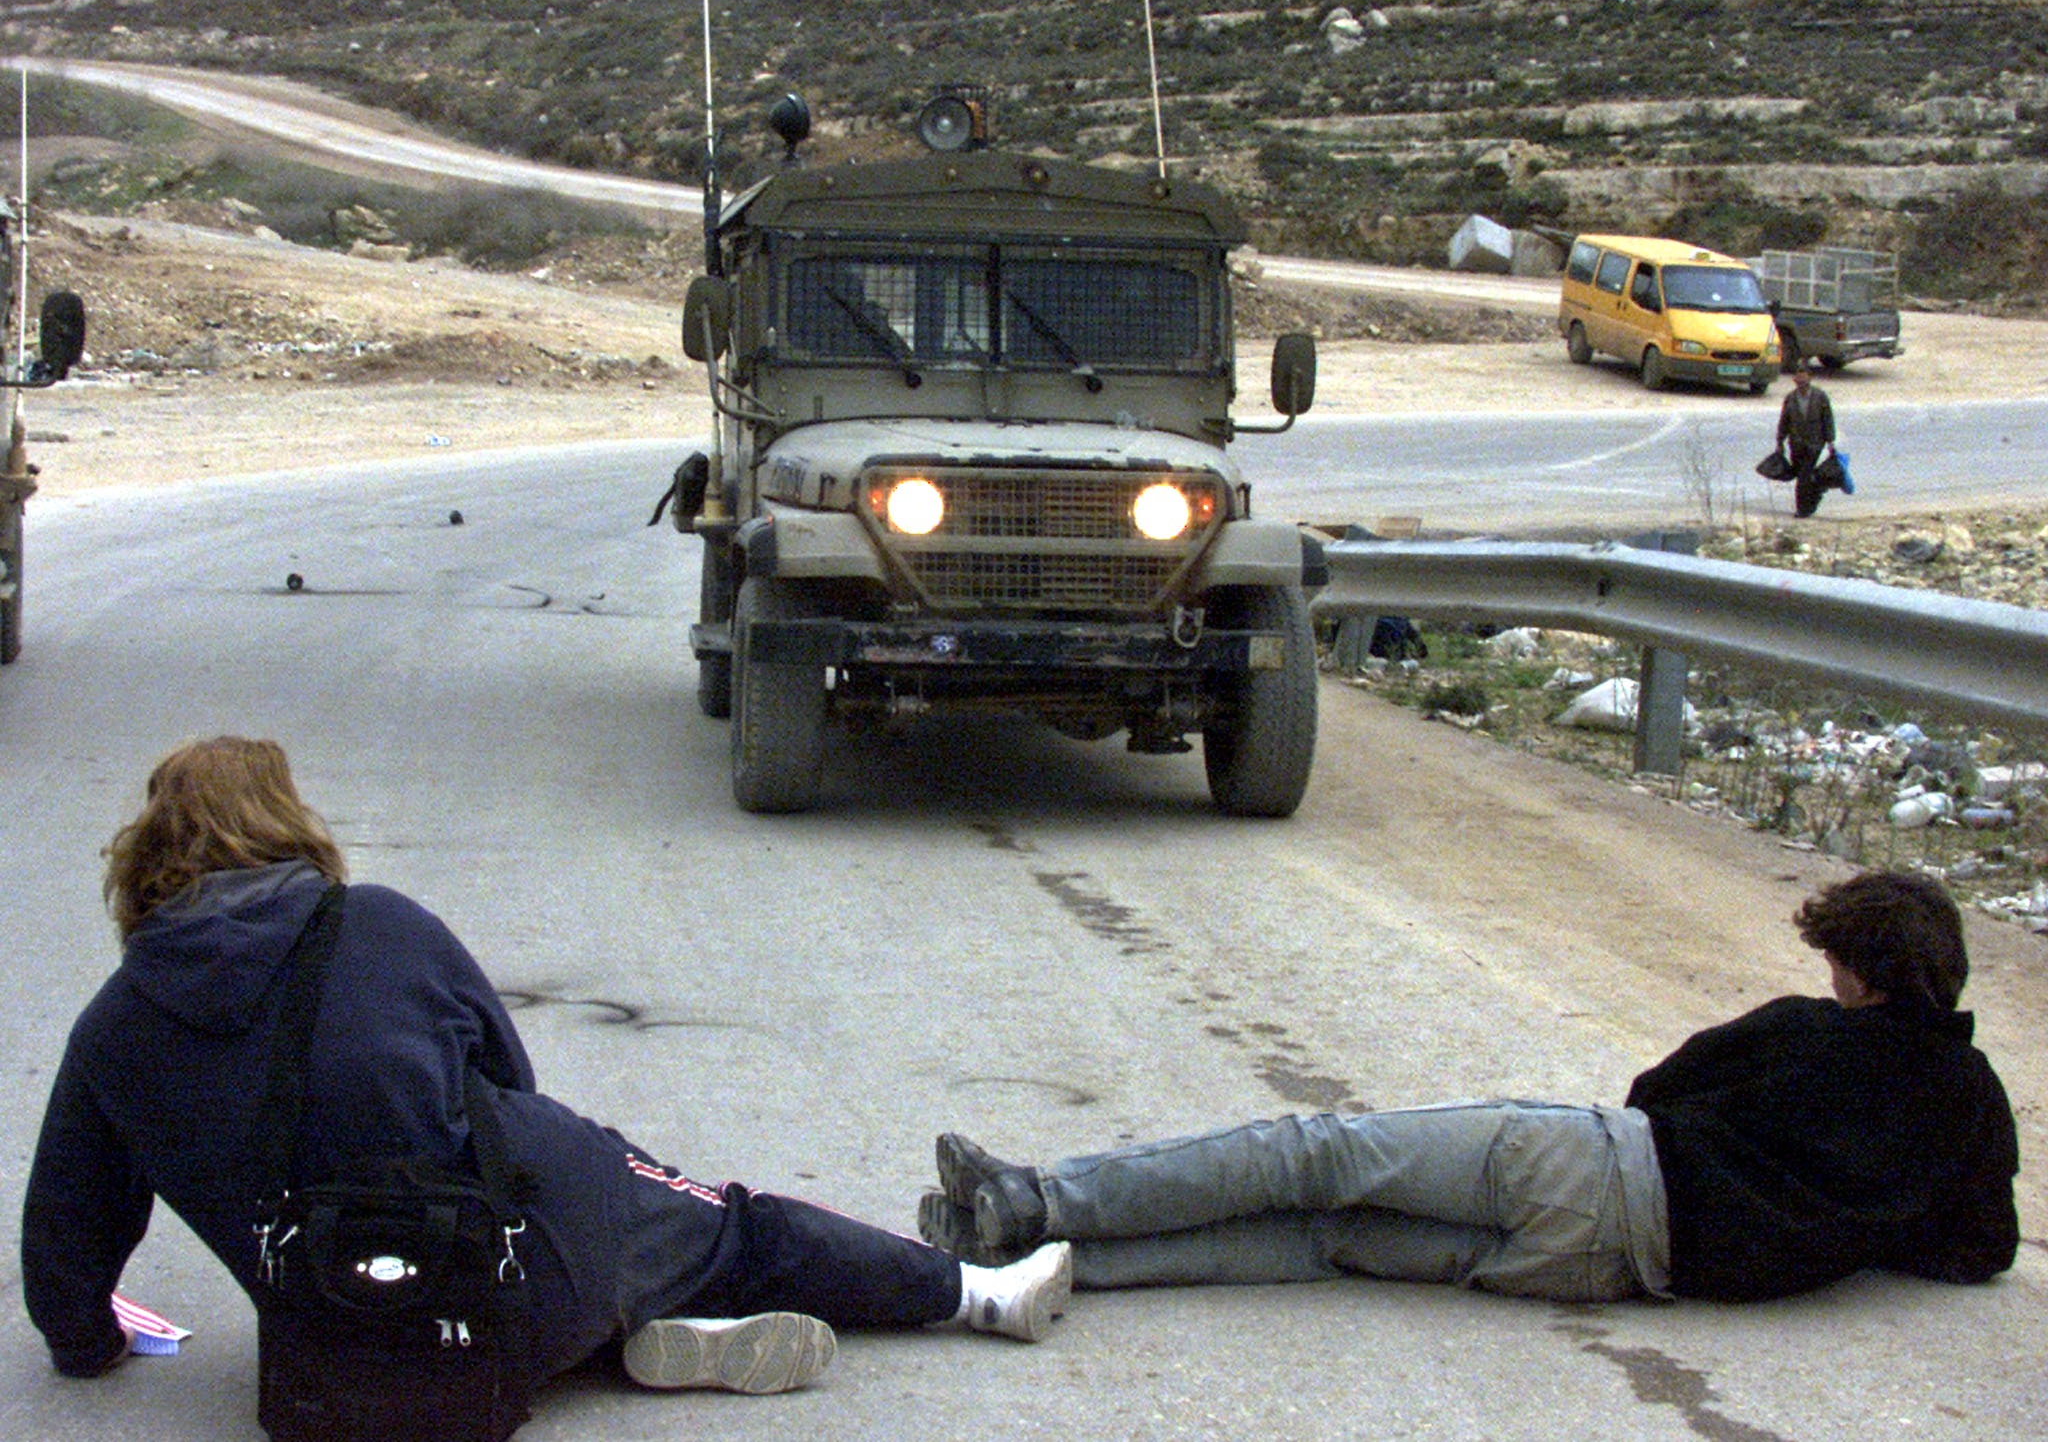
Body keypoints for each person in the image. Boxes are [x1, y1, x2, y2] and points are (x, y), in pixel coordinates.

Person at [22, 737, 1071, 1401]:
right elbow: (507, 1085)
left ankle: (628, 1333)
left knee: (608, 1255)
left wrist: (89, 1346)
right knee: (728, 1225)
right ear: (287, 827)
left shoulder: (112, 1028)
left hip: (341, 1351)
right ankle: (974, 1294)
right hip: (495, 1286)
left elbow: (64, 1247)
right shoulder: (376, 924)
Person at [919, 871, 2018, 1306]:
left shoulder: (1804, 1032)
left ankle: (1039, 1203)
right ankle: (1037, 1269)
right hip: (1612, 1271)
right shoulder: (1972, 1104)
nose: (1826, 974)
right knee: (1321, 1245)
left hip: (1595, 1169)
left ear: (1862, 971)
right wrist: (1852, 1222)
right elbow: (1979, 1250)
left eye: (1835, 960)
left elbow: (1652, 1088)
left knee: (1316, 1155)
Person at [1775, 360, 1839, 518]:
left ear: (1810, 379)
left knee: (1804, 475)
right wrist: (1780, 441)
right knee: (1802, 475)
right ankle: (1811, 501)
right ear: (1794, 380)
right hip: (1796, 443)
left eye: (1804, 378)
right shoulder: (1790, 398)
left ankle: (1802, 509)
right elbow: (1784, 421)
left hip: (1815, 443)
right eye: (1798, 378)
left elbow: (1828, 419)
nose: (1801, 382)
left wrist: (1830, 441)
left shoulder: (1820, 397)